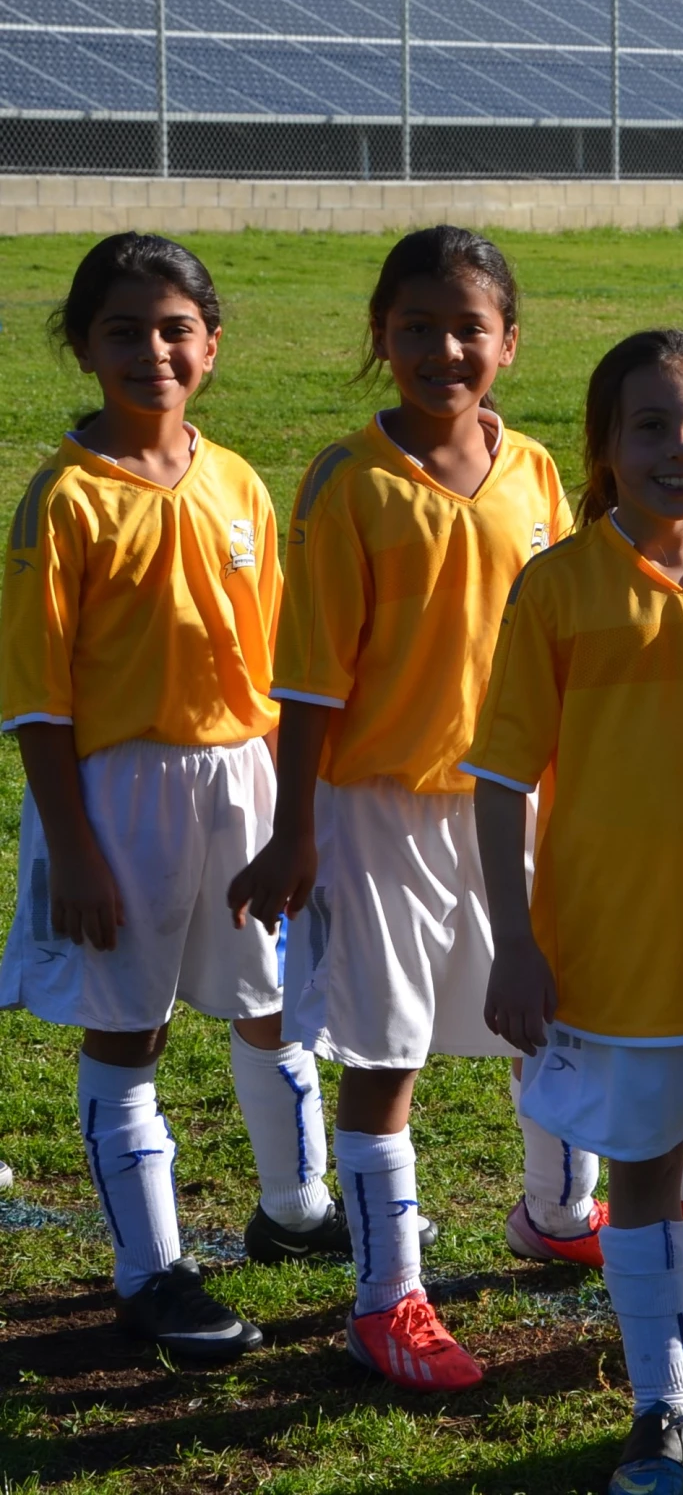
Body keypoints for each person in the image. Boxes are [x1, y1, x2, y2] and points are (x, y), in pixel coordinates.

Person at [227, 224, 571, 1393]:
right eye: (415, 326)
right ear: (381, 338)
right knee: (388, 1052)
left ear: (509, 343)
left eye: (468, 326)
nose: (442, 348)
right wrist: (296, 824)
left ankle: (559, 1211)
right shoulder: (350, 478)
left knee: (549, 1020)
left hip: (509, 802)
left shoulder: (534, 471)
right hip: (378, 811)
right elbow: (311, 679)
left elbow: (559, 642)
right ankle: (388, 1300)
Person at [465, 329, 683, 1495]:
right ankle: (664, 1397)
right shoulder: (556, 587)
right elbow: (500, 778)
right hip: (616, 953)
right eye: (648, 425)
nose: (678, 446)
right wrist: (515, 941)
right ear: (602, 449)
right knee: (645, 1172)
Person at [0, 234, 324, 1358]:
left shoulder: (236, 480)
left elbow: (273, 661)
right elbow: (38, 700)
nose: (153, 349)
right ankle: (150, 1274)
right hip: (114, 793)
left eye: (176, 326)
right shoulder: (65, 500)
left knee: (268, 996)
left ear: (213, 344)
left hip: (240, 772)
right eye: (124, 330)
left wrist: (293, 818)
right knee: (125, 1027)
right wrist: (75, 852)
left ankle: (296, 1210)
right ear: (83, 347)